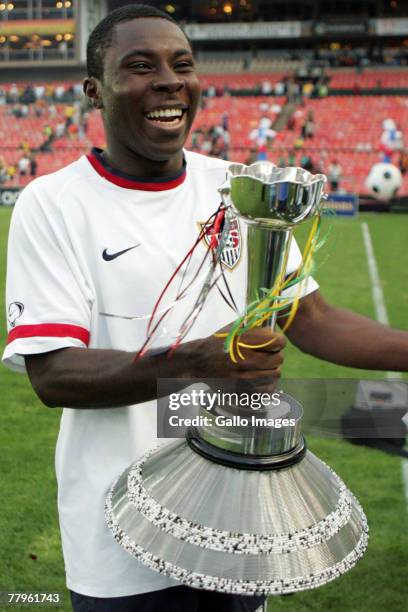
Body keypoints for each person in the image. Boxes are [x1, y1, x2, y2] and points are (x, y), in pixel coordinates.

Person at [3, 4, 408, 612]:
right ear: (94, 91)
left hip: (238, 514)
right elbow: (54, 374)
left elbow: (313, 319)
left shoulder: (238, 188)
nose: (169, 80)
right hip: (120, 531)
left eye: (182, 64)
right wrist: (198, 362)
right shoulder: (53, 203)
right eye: (140, 66)